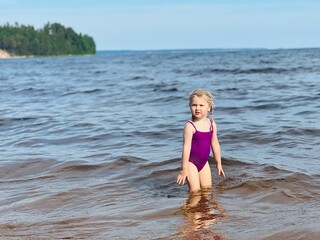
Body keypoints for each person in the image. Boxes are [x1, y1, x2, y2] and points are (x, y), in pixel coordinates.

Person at [176, 89, 225, 192]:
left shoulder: (211, 124)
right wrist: (184, 169)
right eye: (194, 105)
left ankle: (203, 208)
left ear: (209, 108)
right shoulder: (190, 126)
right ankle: (189, 208)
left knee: (206, 190)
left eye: (201, 105)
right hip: (191, 163)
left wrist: (218, 163)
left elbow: (215, 144)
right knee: (195, 191)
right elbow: (186, 147)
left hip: (204, 163)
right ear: (190, 107)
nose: (197, 108)